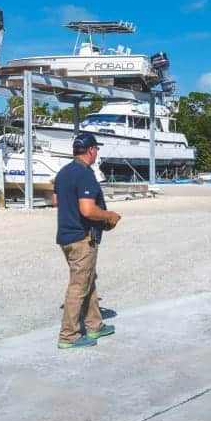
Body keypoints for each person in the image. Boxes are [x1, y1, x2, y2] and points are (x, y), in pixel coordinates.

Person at [52, 132, 122, 349]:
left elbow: (56, 201)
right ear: (91, 150)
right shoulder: (84, 174)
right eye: (96, 150)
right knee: (79, 285)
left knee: (88, 279)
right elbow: (87, 209)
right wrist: (109, 216)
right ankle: (68, 335)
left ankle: (94, 325)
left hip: (66, 236)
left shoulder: (63, 172)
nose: (96, 153)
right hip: (82, 238)